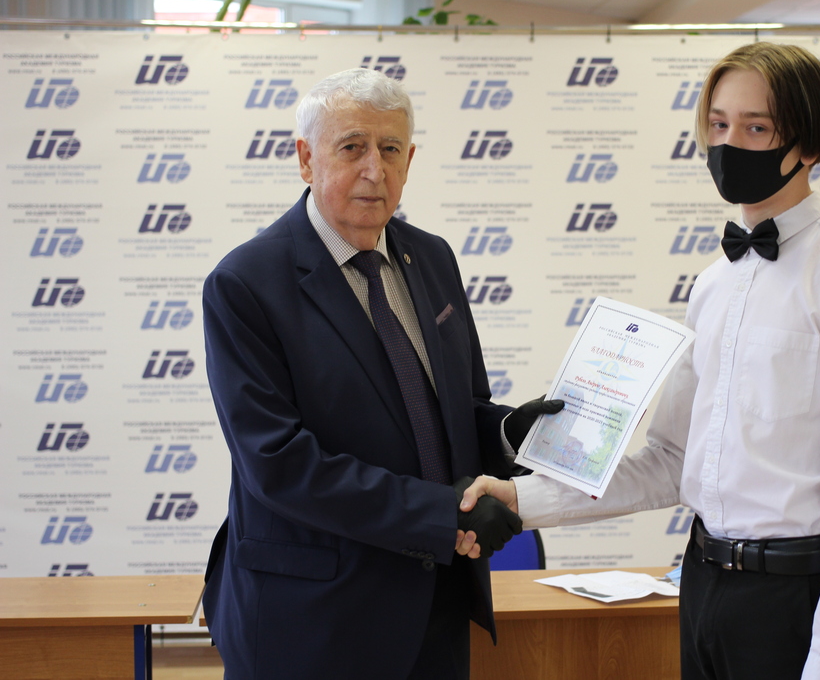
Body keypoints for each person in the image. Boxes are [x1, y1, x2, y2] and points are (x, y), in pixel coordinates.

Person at [458, 42, 820, 680]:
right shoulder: (712, 285)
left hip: (793, 599)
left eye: (756, 128)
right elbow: (671, 462)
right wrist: (518, 497)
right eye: (719, 125)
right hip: (700, 584)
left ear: (809, 143)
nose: (729, 145)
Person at [201, 68, 561, 679]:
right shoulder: (245, 284)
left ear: (409, 160)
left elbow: (456, 410)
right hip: (312, 621)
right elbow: (280, 464)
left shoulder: (433, 257)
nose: (375, 169)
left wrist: (508, 433)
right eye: (352, 147)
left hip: (437, 606)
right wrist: (442, 513)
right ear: (306, 159)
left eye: (391, 149)